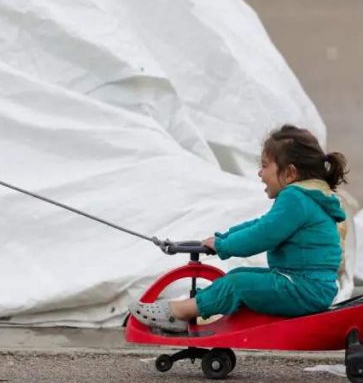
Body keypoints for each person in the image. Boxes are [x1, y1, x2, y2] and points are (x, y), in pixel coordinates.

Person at [130, 125, 347, 331]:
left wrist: (224, 245)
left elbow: (262, 235)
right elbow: (261, 224)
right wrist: (223, 238)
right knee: (240, 274)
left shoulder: (295, 198)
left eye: (264, 165)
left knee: (238, 283)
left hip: (304, 287)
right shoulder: (307, 197)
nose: (259, 173)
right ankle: (192, 310)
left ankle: (178, 313)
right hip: (310, 286)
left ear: (290, 173)